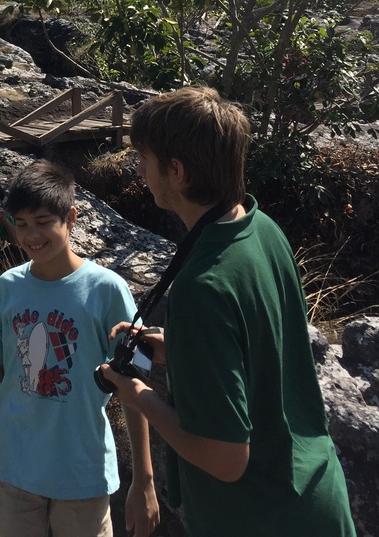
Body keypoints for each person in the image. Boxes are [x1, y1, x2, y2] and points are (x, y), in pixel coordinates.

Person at [99, 88, 356, 534]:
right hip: (311, 493)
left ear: (176, 171)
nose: (139, 170)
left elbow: (225, 458)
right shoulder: (259, 227)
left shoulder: (202, 288)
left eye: (144, 158)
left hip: (259, 515)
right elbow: (255, 343)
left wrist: (135, 393)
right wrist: (177, 348)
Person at [0, 169, 154, 536]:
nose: (31, 236)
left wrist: (144, 479)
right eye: (21, 224)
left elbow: (134, 385)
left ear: (71, 217)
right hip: (14, 473)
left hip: (85, 476)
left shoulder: (107, 290)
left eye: (43, 222)